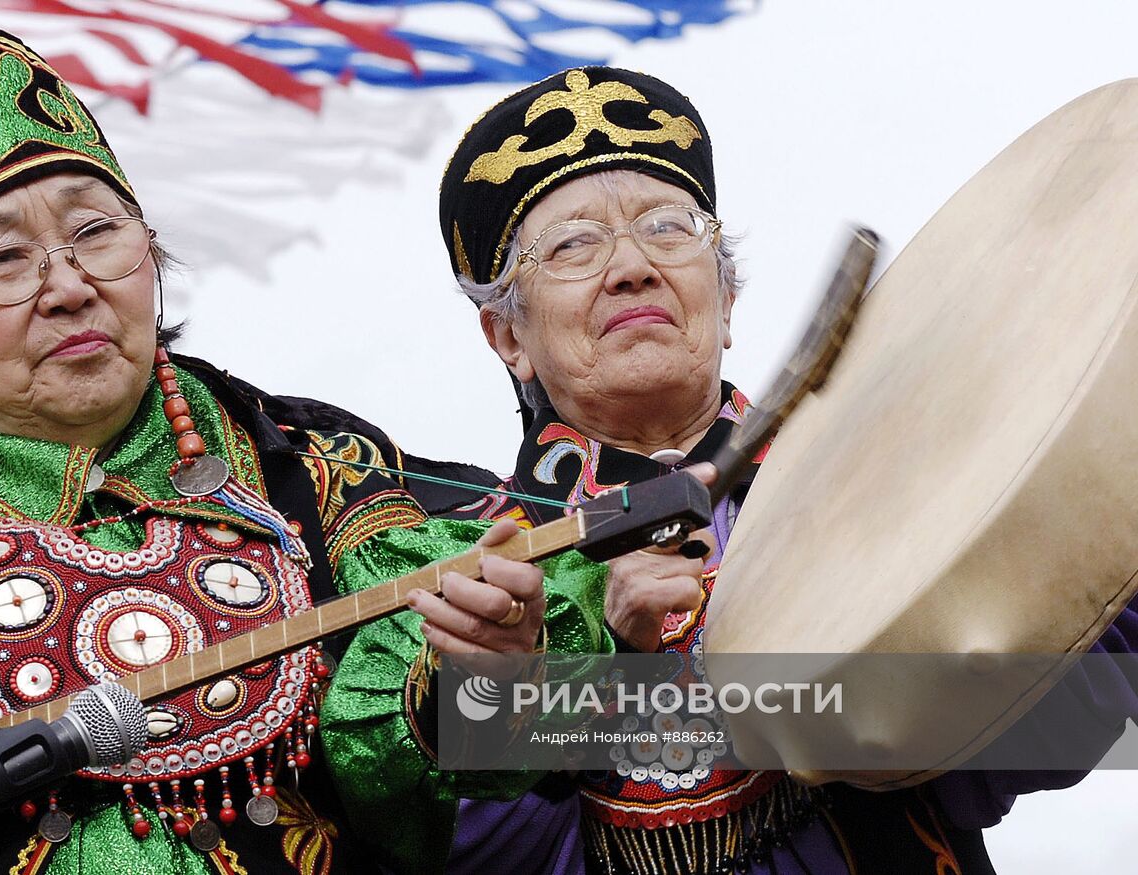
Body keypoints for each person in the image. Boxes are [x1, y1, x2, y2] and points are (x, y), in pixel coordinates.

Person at [0, 28, 613, 875]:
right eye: (4, 260)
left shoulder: (314, 466)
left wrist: (500, 677)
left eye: (97, 232)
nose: (71, 286)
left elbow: (622, 729)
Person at [432, 66, 1138, 874]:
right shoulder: (474, 572)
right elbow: (471, 850)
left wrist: (1101, 480)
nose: (632, 266)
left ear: (726, 298)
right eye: (573, 245)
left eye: (667, 227)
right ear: (507, 337)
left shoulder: (868, 476)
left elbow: (1059, 722)